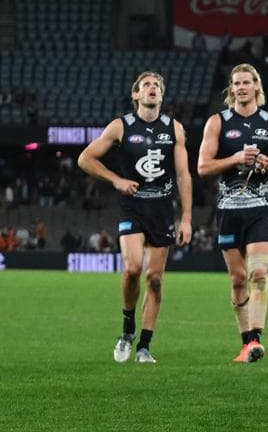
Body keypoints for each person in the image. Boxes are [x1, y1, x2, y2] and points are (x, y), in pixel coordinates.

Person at [78, 72, 192, 364]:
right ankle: (128, 328)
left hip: (162, 209)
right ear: (136, 95)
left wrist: (186, 218)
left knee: (154, 279)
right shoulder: (121, 126)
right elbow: (85, 158)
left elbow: (183, 175)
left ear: (162, 95)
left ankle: (144, 346)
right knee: (132, 269)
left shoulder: (174, 128)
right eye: (146, 85)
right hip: (133, 207)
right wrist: (116, 180)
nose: (152, 88)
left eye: (157, 86)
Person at [197, 64, 268, 363]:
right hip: (228, 211)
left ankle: (255, 341)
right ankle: (245, 343)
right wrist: (235, 158)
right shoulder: (218, 122)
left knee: (258, 274)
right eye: (235, 83)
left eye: (246, 83)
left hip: (260, 210)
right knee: (238, 279)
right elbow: (203, 167)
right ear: (231, 89)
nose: (240, 87)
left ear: (256, 87)